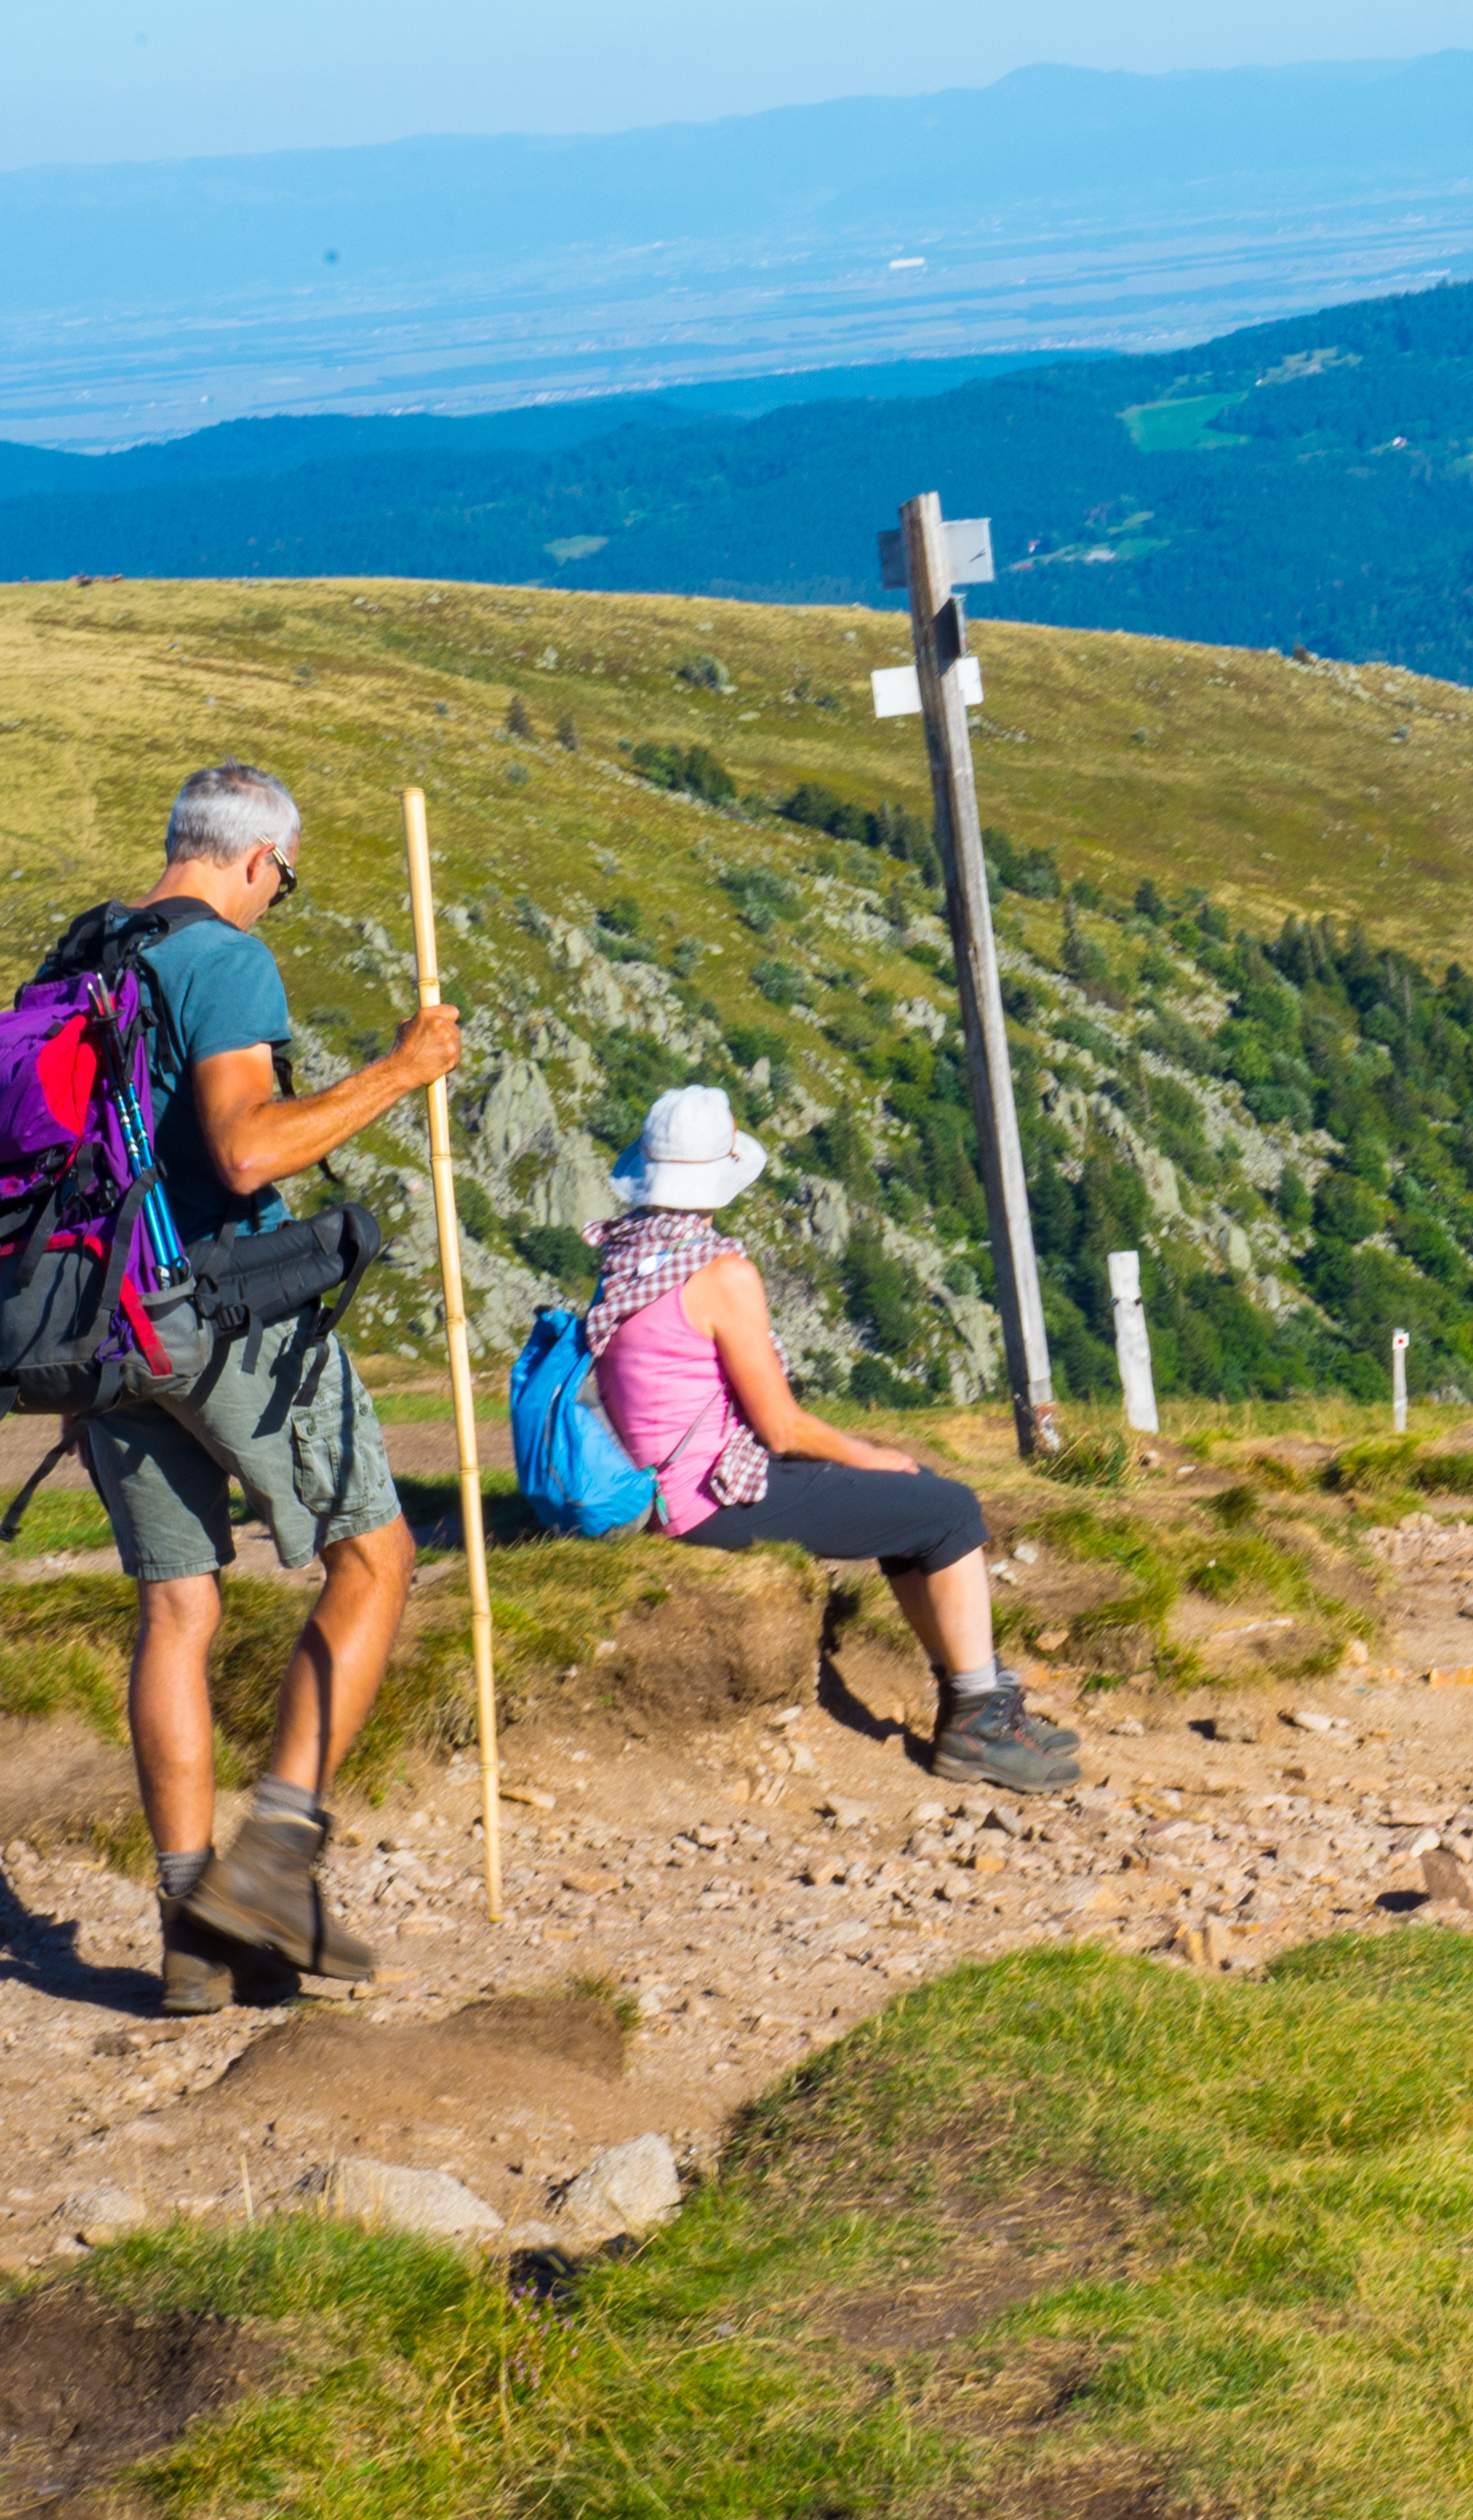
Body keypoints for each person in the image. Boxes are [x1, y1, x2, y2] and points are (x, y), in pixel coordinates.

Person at [74, 761, 462, 2013]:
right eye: (284, 881)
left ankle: (192, 1932)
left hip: (95, 1323)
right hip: (214, 1309)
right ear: (256, 861)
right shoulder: (222, 959)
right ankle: (277, 1861)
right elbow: (246, 1152)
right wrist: (401, 1073)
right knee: (376, 1556)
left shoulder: (87, 955)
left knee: (178, 1612)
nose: (277, 899)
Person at [585, 1086, 1082, 1793]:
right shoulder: (719, 1273)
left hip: (661, 1491)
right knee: (947, 1509)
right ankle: (978, 1723)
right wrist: (871, 1454)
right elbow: (780, 1425)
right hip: (709, 1502)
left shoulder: (625, 1256)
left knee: (910, 1510)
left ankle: (974, 1696)